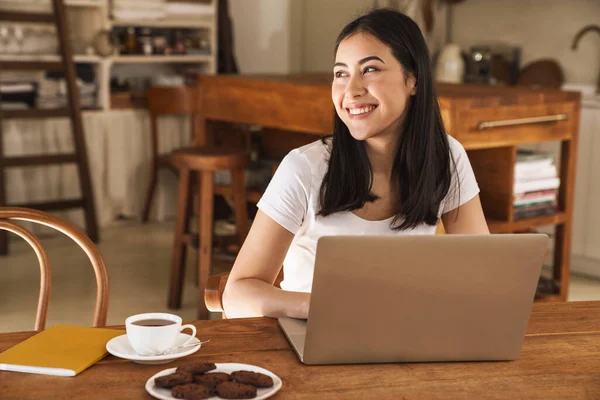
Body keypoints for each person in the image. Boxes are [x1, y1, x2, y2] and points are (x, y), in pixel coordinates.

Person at [223, 8, 489, 319]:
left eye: (371, 69)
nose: (351, 91)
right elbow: (237, 293)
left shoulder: (446, 157)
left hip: (407, 339)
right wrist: (321, 307)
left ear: (413, 79)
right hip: (314, 341)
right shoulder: (304, 168)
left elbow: (482, 273)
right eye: (341, 73)